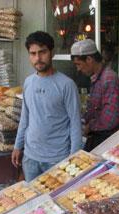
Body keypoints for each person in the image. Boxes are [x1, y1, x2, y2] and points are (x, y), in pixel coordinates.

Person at [12, 31, 82, 181]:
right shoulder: (28, 82)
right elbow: (25, 117)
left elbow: (75, 124)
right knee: (33, 201)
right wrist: (18, 146)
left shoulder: (66, 85)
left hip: (57, 159)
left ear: (52, 52)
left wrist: (75, 158)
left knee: (55, 202)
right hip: (30, 158)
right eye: (33, 53)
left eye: (42, 52)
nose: (38, 58)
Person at [70, 39, 119, 151]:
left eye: (79, 64)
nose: (78, 69)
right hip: (99, 136)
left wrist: (89, 126)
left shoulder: (108, 79)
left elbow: (110, 119)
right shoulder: (96, 78)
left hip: (109, 139)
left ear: (89, 59)